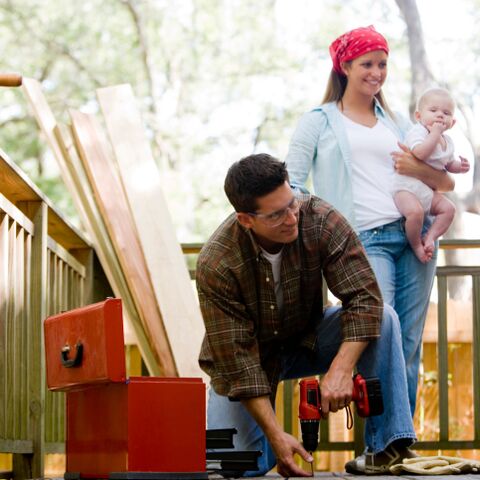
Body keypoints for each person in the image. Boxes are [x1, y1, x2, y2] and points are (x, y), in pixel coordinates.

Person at [197, 153, 417, 477]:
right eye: (276, 215)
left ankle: (388, 448)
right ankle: (268, 448)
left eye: (291, 203)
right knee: (231, 466)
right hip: (249, 360)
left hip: (309, 339)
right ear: (246, 220)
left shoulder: (321, 218)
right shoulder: (217, 263)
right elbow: (239, 365)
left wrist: (341, 369)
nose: (291, 218)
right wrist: (276, 434)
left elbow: (365, 298)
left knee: (384, 317)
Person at [286, 26, 455, 423]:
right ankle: (381, 445)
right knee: (379, 336)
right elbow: (293, 184)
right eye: (367, 63)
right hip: (363, 242)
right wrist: (324, 229)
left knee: (408, 343)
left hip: (413, 236)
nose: (376, 72)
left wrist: (417, 167)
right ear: (345, 66)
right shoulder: (318, 121)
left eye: (382, 64)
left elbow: (444, 182)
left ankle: (397, 447)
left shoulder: (396, 123)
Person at [393, 87, 470, 263]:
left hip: (427, 190)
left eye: (446, 113)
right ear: (419, 116)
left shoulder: (448, 142)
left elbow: (447, 164)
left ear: (453, 122)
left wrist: (460, 166)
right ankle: (416, 245)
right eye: (433, 110)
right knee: (415, 212)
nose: (440, 116)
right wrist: (434, 134)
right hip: (406, 187)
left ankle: (430, 237)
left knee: (449, 209)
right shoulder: (418, 132)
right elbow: (420, 153)